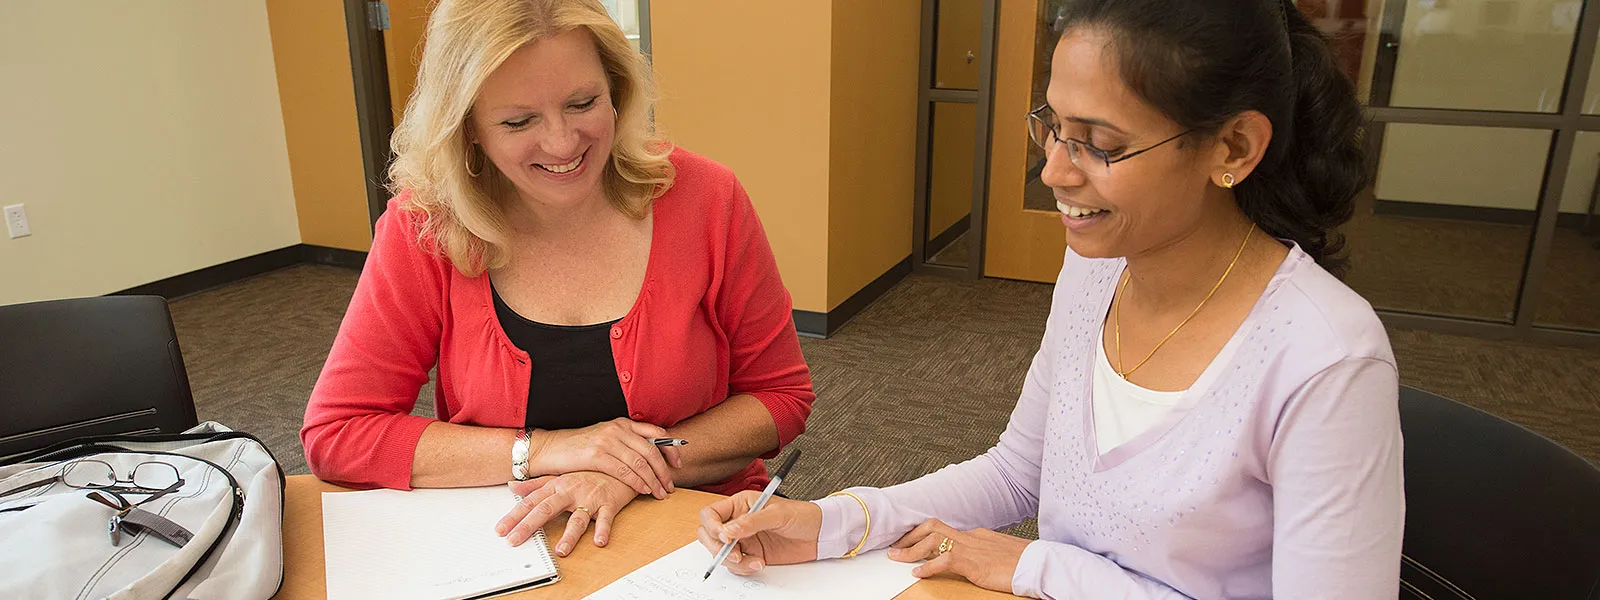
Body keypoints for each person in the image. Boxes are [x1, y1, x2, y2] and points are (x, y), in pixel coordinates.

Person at [696, 1, 1402, 598]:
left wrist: (1038, 565)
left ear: (1233, 148)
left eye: (1098, 144)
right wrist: (829, 523)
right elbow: (1019, 471)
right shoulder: (1099, 269)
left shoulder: (1325, 358)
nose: (1054, 169)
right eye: (1054, 126)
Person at [301, 0, 814, 559]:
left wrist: (628, 472)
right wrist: (549, 450)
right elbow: (338, 432)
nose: (563, 143)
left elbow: (781, 396)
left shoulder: (707, 199)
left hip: (697, 531)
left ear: (615, 88)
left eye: (583, 103)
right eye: (518, 121)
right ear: (468, 126)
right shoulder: (425, 228)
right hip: (510, 547)